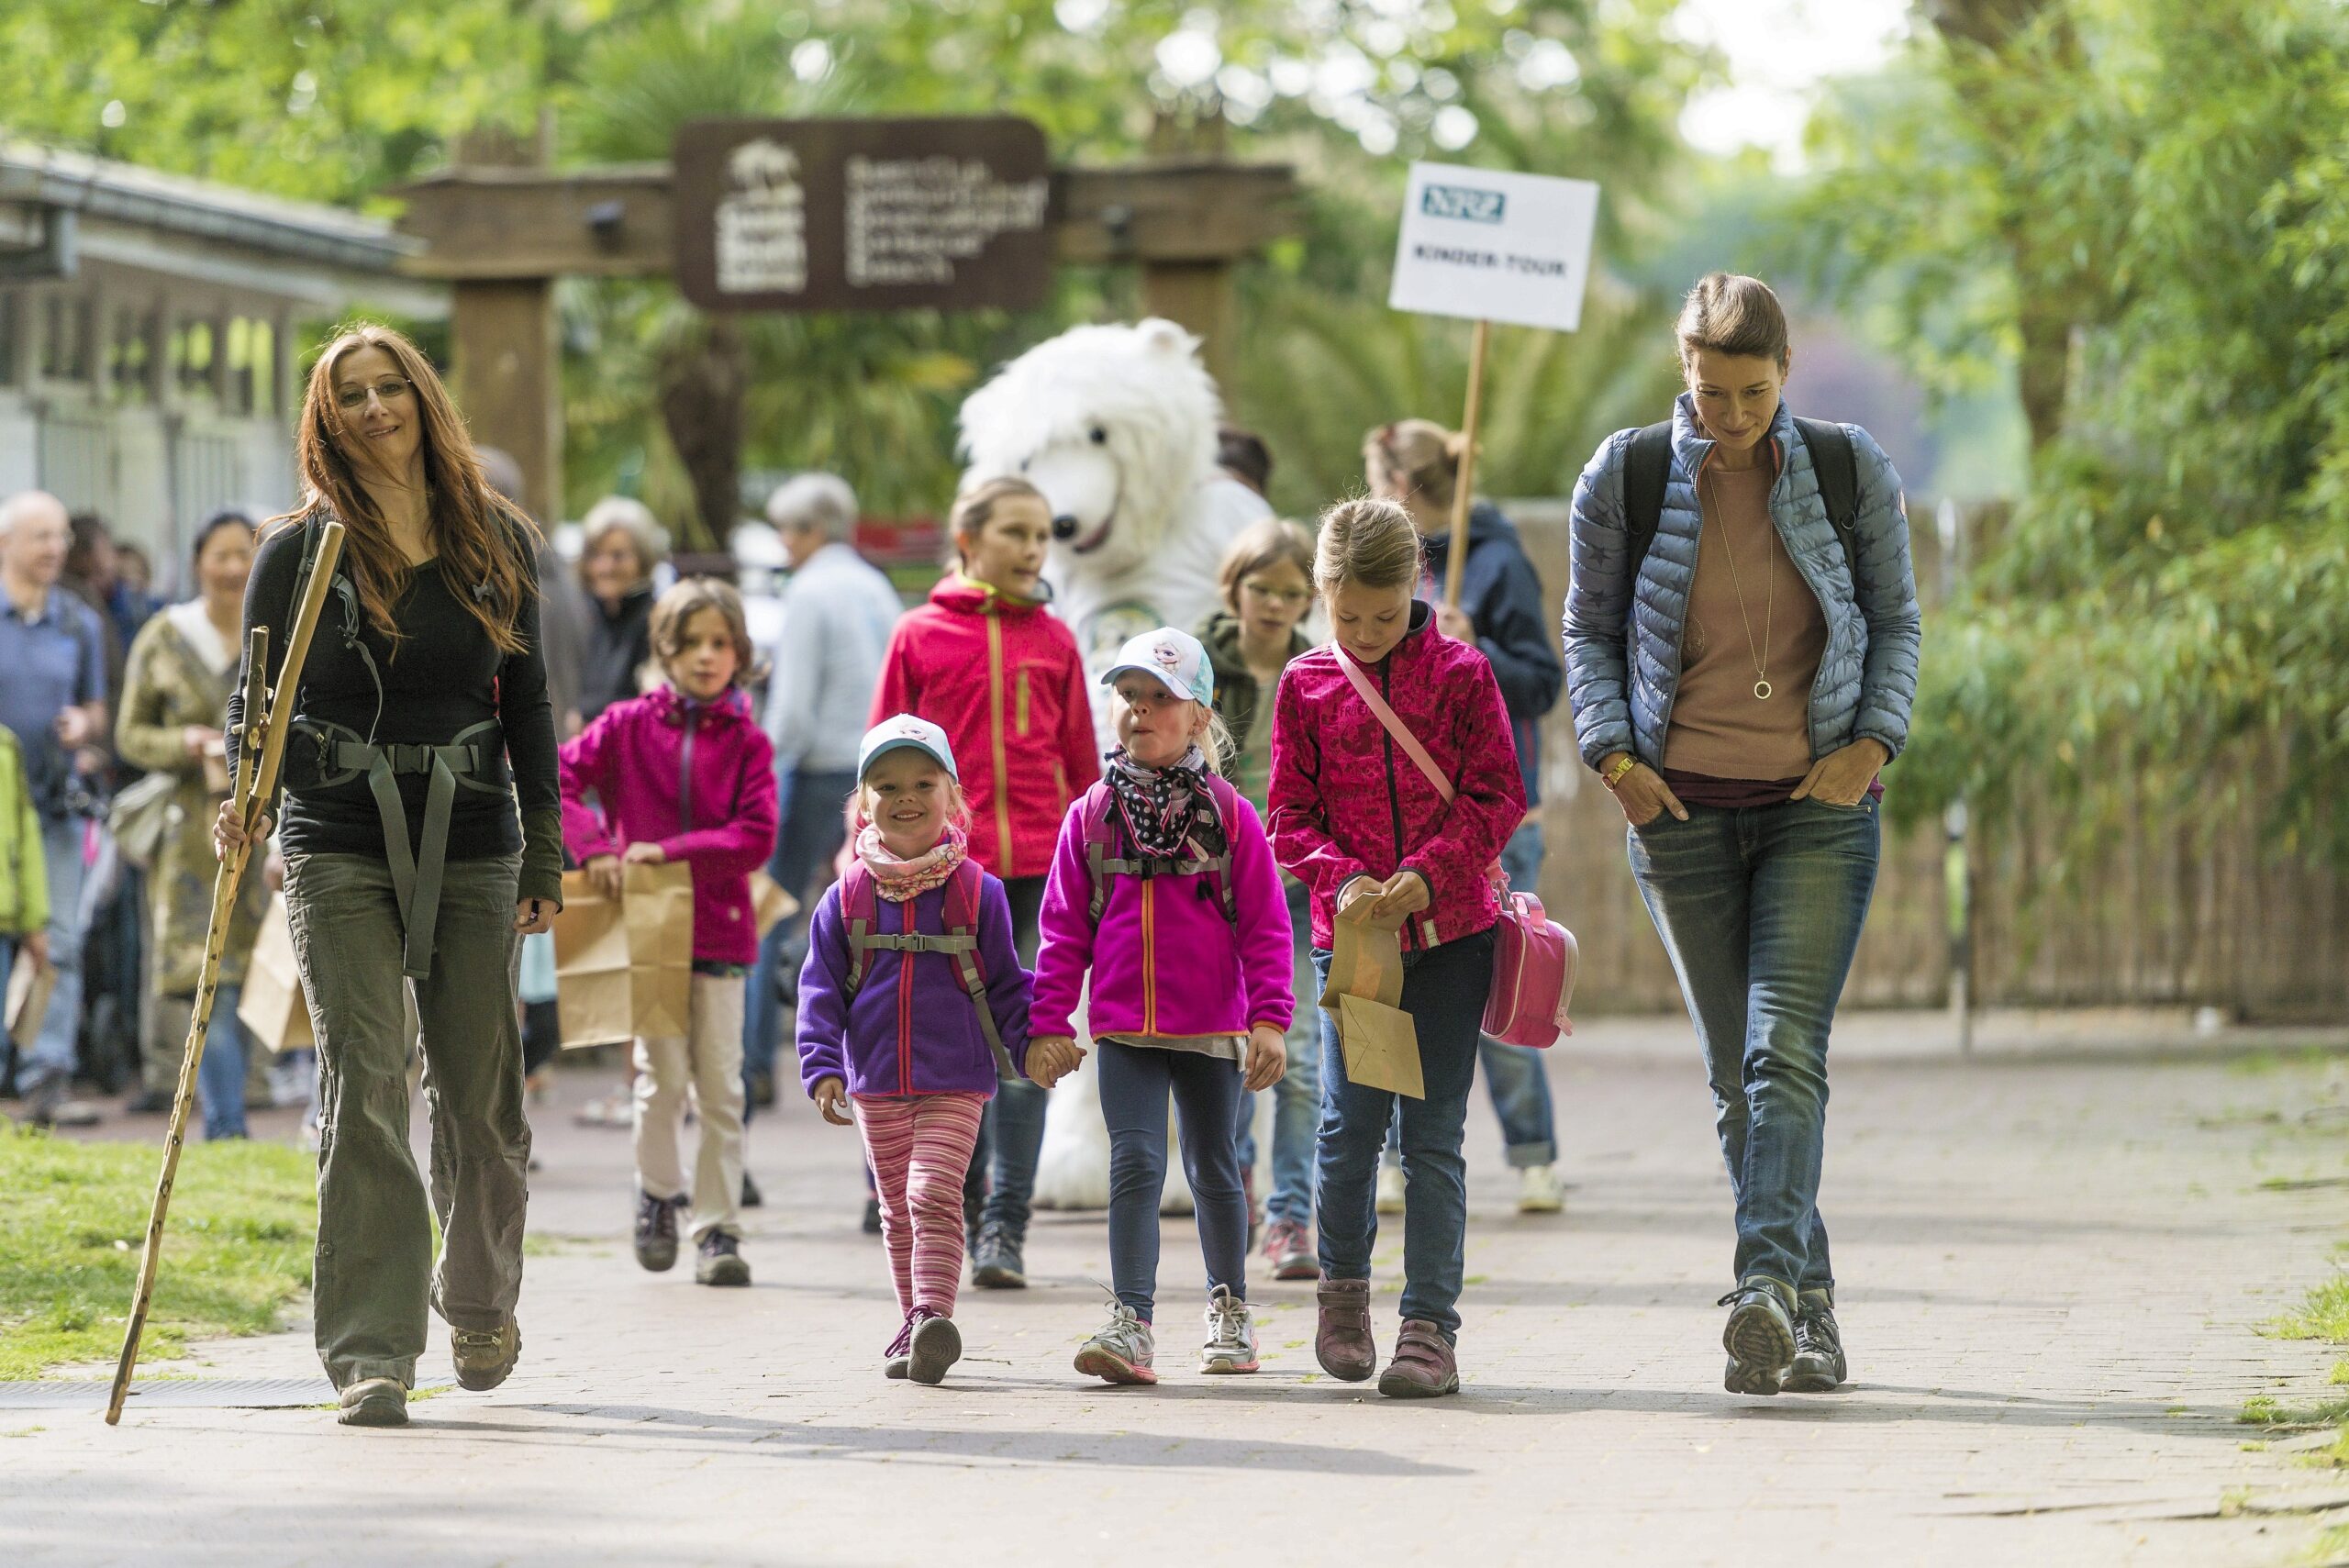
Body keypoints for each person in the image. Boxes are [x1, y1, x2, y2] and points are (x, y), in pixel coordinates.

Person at [1564, 272, 1921, 1397]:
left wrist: (1874, 740)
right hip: (1679, 814)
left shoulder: (1845, 464)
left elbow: (1895, 614)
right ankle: (1809, 1315)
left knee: (1783, 1055)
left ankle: (1761, 1286)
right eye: (1712, 392)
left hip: (1818, 810)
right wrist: (1612, 757)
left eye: (1754, 392)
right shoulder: (1621, 476)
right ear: (1684, 373)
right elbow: (1589, 629)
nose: (1732, 414)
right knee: (1737, 1076)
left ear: (1784, 377)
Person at [213, 322, 562, 1429]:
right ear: (326, 420)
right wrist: (245, 793)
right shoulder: (298, 550)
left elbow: (533, 704)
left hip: (472, 839)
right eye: (349, 395)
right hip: (335, 835)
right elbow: (255, 701)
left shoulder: (494, 538)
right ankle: (371, 1349)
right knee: (362, 1087)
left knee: (479, 1097)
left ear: (422, 400)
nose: (373, 409)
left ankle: (478, 1300)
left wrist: (545, 844)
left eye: (389, 388)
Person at [1269, 498, 1523, 1400]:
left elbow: (1497, 795)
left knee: (1433, 1138)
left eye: (1383, 615)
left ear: (1417, 583)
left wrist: (1429, 872)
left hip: (1452, 938)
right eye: (1347, 617)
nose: (1367, 634)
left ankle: (1429, 1329)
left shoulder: (1461, 672)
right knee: (1349, 1130)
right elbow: (1285, 817)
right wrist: (1342, 880)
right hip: (1361, 948)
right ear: (1321, 596)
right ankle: (1343, 1302)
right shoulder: (1303, 685)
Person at [1027, 628, 1292, 1385]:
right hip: (1123, 1030)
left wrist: (1270, 1018)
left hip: (1211, 1023)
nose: (1140, 711)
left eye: (1161, 698)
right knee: (1135, 1162)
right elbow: (1062, 926)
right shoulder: (1091, 814)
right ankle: (1132, 1321)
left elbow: (1268, 925)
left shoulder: (1231, 815)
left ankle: (1230, 1307)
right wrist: (1050, 1021)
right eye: (1129, 696)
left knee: (1215, 1165)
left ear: (1201, 715)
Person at [870, 476, 1097, 1288]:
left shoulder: (1057, 640)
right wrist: (862, 853)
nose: (1034, 546)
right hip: (941, 875)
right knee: (944, 1041)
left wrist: (1093, 861)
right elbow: (880, 759)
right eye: (1015, 531)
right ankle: (952, 1202)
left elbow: (1079, 766)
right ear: (969, 539)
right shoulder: (918, 633)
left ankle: (1007, 1222)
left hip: (1040, 877)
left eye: (1042, 532)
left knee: (1032, 1033)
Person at [1365, 418, 1570, 1215]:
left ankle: (1533, 1153)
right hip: (1396, 822)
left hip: (1495, 821)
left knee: (1500, 979)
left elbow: (1543, 681)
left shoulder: (1496, 561)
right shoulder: (1385, 572)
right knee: (1384, 986)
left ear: (1401, 485)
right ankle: (1386, 1158)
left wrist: (1475, 644)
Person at [796, 715, 1033, 1384]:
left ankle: (933, 1312)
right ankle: (913, 1325)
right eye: (886, 783)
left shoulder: (977, 892)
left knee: (931, 1191)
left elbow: (1007, 984)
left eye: (924, 782)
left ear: (953, 797)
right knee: (895, 1207)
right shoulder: (844, 898)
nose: (906, 795)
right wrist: (822, 1068)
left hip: (956, 1076)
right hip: (873, 1079)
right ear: (861, 803)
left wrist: (1037, 1042)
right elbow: (819, 988)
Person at [561, 577, 778, 1287]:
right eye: (691, 643)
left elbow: (755, 835)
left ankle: (718, 1226)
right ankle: (657, 1194)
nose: (706, 656)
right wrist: (593, 847)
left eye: (721, 642)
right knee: (661, 1080)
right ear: (665, 648)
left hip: (721, 933)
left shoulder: (749, 742)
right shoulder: (624, 725)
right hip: (649, 935)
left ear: (740, 652)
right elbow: (559, 779)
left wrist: (670, 852)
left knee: (722, 1083)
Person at [745, 473, 902, 1122]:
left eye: (787, 529)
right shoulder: (875, 584)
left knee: (767, 914)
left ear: (809, 530)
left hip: (814, 772)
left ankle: (752, 1065)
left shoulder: (809, 591)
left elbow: (792, 709)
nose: (785, 542)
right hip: (877, 768)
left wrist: (759, 774)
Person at [114, 510, 269, 1140]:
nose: (233, 568)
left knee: (248, 979)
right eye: (220, 555)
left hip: (260, 832)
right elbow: (129, 734)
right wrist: (185, 742)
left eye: (245, 554)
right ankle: (225, 1122)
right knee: (206, 981)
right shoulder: (163, 635)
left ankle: (233, 1113)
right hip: (187, 843)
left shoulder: (275, 634)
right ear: (198, 561)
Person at [1197, 518, 1321, 1281]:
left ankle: (1292, 1217)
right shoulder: (1196, 667)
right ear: (1232, 586)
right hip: (1217, 887)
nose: (1274, 604)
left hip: (1304, 886)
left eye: (1291, 592)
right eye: (1261, 588)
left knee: (1301, 1056)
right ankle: (1232, 1186)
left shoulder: (1319, 668)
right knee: (1227, 1052)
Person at [0, 490, 108, 1129]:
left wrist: (82, 726)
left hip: (58, 806)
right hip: (0, 811)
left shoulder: (79, 621)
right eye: (41, 536)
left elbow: (98, 710)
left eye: (62, 536)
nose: (55, 549)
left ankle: (47, 1078)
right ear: (6, 543)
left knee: (59, 941)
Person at [576, 496, 666, 725]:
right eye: (596, 555)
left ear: (643, 558)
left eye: (618, 556)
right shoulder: (590, 617)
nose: (605, 567)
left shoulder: (658, 622)